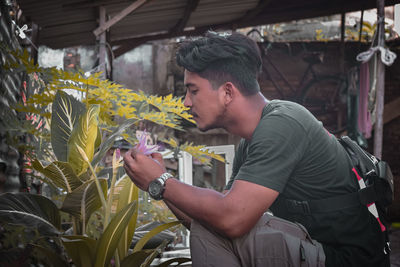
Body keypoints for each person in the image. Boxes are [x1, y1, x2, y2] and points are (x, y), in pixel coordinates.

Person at [123, 31, 390, 267]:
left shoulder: (283, 123)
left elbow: (231, 220)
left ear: (227, 92)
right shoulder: (251, 142)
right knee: (214, 224)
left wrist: (162, 181)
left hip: (346, 259)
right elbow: (210, 222)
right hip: (320, 252)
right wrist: (157, 184)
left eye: (193, 90)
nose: (185, 102)